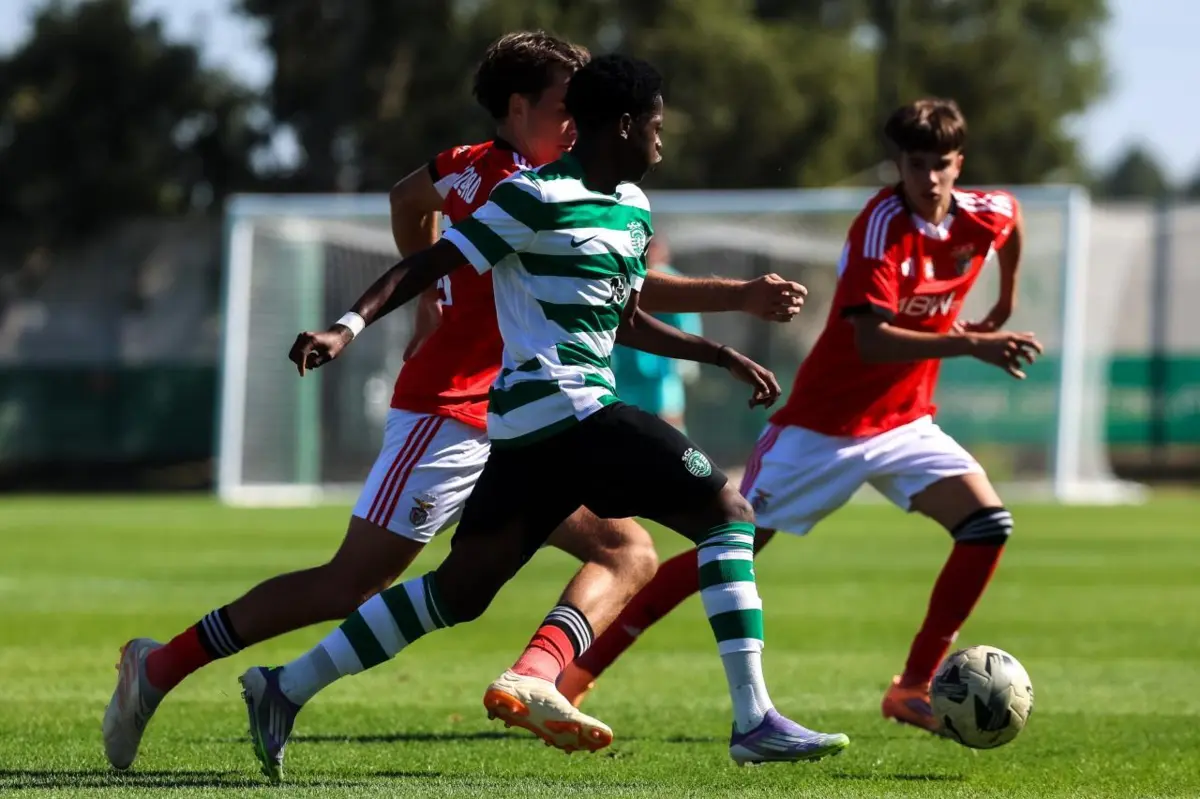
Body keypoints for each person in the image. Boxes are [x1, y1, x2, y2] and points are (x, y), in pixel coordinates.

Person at [101, 32, 804, 773]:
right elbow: (429, 235)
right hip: (449, 409)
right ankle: (162, 667)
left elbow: (592, 274)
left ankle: (534, 674)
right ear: (517, 106)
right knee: (353, 582)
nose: (577, 120)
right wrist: (408, 309)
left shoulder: (573, 185)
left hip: (528, 422)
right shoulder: (498, 178)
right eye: (566, 106)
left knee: (621, 550)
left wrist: (732, 309)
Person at [557, 97, 1043, 738]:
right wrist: (974, 342)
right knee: (725, 546)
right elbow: (873, 340)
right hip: (821, 428)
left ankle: (913, 686)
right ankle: (574, 674)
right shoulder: (881, 228)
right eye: (915, 164)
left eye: (942, 165)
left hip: (904, 423)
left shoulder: (984, 213)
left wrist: (1003, 301)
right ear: (898, 164)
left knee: (987, 526)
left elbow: (1011, 222)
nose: (929, 178)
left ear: (960, 163)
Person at [611, 235, 702, 431]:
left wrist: (689, 361)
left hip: (662, 375)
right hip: (625, 375)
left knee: (668, 428)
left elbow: (688, 324)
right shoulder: (620, 281)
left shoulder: (674, 283)